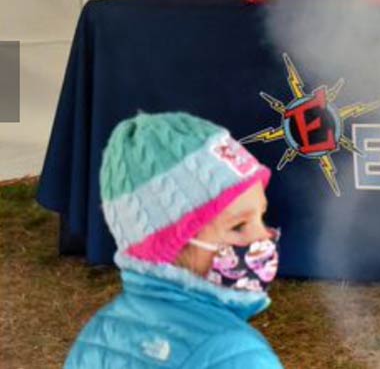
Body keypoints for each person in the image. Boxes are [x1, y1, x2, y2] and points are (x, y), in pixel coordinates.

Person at [65, 112, 284, 368]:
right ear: (171, 245)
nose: (264, 237)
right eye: (238, 226)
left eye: (262, 216)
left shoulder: (99, 333)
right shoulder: (236, 356)